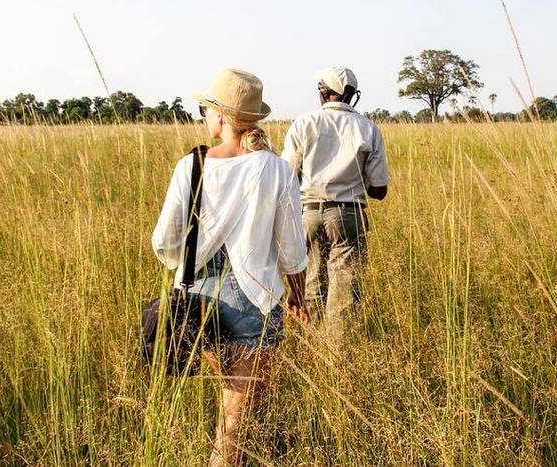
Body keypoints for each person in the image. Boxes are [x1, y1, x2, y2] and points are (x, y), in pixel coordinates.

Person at [151, 68, 309, 467]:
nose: (204, 116)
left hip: (197, 297)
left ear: (221, 117)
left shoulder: (191, 166)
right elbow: (291, 248)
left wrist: (186, 261)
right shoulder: (276, 169)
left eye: (206, 109)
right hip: (254, 299)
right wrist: (298, 295)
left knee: (233, 406)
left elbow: (163, 242)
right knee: (236, 421)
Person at [281, 66, 389, 338]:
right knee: (344, 292)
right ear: (352, 95)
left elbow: (286, 177)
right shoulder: (368, 128)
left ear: (324, 93)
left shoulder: (304, 124)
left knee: (313, 283)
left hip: (309, 212)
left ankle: (315, 347)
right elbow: (379, 190)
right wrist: (355, 176)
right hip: (349, 214)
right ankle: (337, 355)